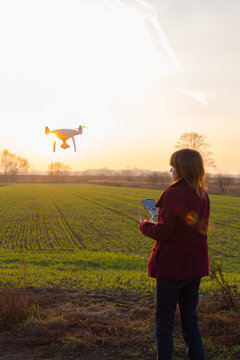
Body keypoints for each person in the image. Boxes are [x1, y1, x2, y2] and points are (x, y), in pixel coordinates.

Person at [139, 149, 210, 360]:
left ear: (180, 168)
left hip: (171, 268)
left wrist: (145, 226)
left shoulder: (173, 193)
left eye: (172, 166)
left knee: (164, 322)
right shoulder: (202, 193)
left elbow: (164, 233)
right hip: (194, 267)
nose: (171, 170)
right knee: (190, 320)